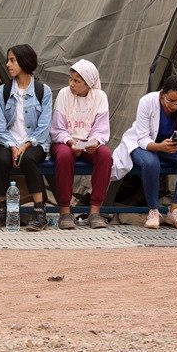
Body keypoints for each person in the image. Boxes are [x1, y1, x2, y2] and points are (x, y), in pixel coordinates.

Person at [111, 75, 177, 230]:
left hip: (169, 147)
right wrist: (160, 147)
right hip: (143, 145)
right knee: (151, 162)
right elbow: (142, 139)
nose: (175, 105)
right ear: (162, 94)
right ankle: (153, 211)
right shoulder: (147, 102)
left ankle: (175, 211)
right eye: (171, 100)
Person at [0, 44, 52, 232]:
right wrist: (13, 146)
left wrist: (26, 145)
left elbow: (44, 126)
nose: (8, 64)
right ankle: (1, 210)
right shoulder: (3, 92)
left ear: (24, 61)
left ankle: (39, 213)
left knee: (29, 159)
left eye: (12, 60)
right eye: (8, 59)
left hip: (35, 142)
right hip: (7, 141)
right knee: (0, 159)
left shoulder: (43, 91)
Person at [49, 59, 112, 229]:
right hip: (65, 141)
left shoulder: (100, 97)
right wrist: (70, 142)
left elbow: (101, 129)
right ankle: (65, 211)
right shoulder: (64, 94)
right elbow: (57, 129)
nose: (71, 84)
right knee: (64, 155)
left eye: (77, 81)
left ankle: (95, 211)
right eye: (71, 79)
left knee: (105, 155)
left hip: (88, 144)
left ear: (89, 83)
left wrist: (94, 142)